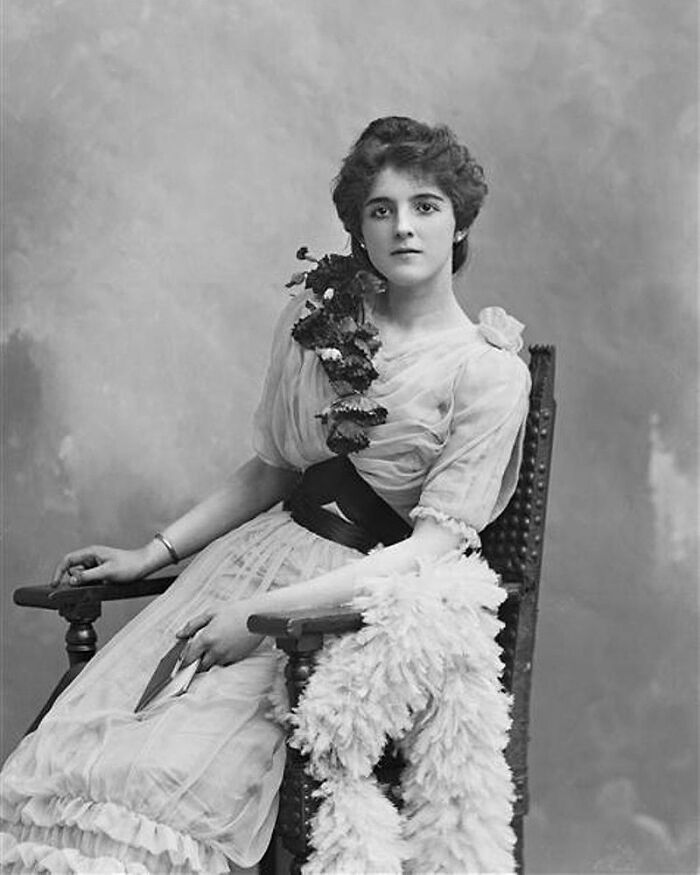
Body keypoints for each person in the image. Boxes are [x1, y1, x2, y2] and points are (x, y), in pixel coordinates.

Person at [0, 116, 530, 873]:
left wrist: (262, 619)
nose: (403, 228)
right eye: (380, 210)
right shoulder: (319, 321)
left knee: (171, 777)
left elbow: (433, 547)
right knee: (82, 759)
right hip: (241, 565)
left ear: (460, 219)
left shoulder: (486, 372)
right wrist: (152, 553)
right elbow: (272, 469)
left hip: (347, 608)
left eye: (425, 206)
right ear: (357, 227)